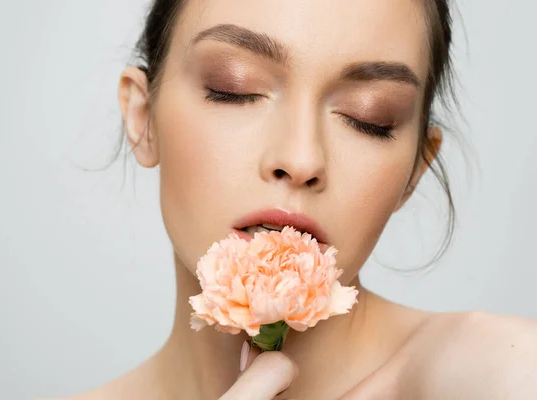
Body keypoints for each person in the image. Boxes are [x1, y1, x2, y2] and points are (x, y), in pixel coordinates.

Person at [63, 0, 537, 398]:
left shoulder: (501, 374)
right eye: (235, 88)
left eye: (368, 117)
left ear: (415, 169)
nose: (302, 158)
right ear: (143, 118)